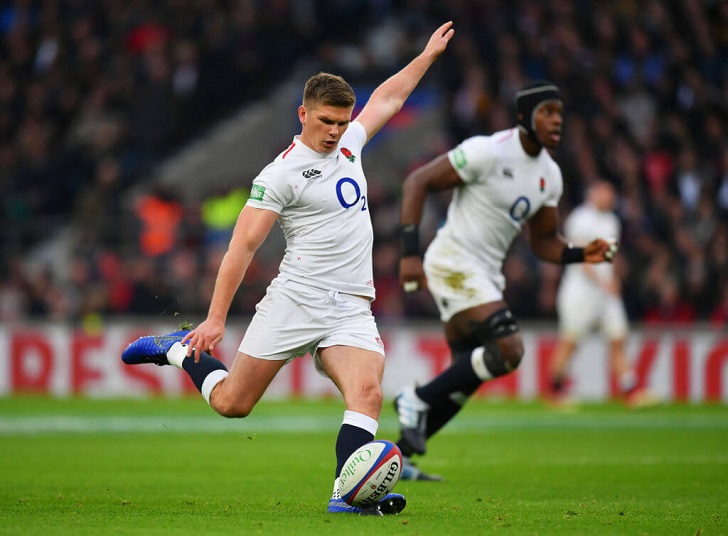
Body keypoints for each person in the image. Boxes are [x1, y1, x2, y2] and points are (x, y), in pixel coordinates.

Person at [121, 21, 454, 516]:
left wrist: (426, 56)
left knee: (366, 391)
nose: (336, 131)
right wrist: (215, 320)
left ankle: (348, 496)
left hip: (351, 307)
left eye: (342, 122)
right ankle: (180, 351)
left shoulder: (349, 145)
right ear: (303, 114)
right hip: (297, 298)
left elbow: (386, 98)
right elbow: (242, 246)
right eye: (326, 121)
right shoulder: (279, 175)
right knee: (234, 402)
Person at [394, 81, 617, 481]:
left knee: (466, 378)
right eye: (547, 111)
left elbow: (544, 243)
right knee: (508, 349)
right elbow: (417, 182)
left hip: (486, 275)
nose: (556, 121)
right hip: (453, 260)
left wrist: (583, 253)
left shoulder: (550, 176)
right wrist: (409, 252)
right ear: (523, 116)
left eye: (560, 114)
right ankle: (415, 397)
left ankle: (399, 459)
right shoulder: (488, 151)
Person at [549, 180, 658, 407]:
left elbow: (610, 256)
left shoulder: (611, 221)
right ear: (594, 194)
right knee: (570, 341)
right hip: (581, 291)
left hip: (606, 291)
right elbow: (580, 256)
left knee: (618, 337)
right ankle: (555, 390)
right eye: (606, 193)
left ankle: (630, 390)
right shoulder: (580, 218)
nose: (611, 197)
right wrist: (602, 281)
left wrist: (614, 279)